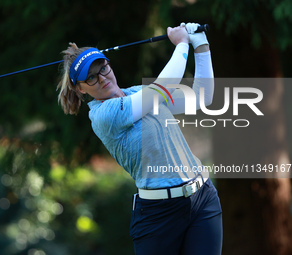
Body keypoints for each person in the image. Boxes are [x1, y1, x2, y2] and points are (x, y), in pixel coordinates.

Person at [57, 23, 222, 255]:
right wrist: (182, 43)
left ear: (109, 65)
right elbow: (161, 89)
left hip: (203, 199)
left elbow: (202, 97)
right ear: (81, 89)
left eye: (102, 69)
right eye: (91, 78)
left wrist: (200, 44)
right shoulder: (104, 115)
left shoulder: (136, 92)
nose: (102, 79)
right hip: (159, 215)